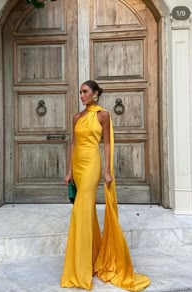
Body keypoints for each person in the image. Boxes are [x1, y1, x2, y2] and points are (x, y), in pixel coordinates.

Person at [60, 80, 150, 291]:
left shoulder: (103, 115)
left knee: (80, 212)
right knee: (86, 213)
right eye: (80, 92)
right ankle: (91, 260)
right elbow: (73, 144)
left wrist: (108, 170)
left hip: (92, 164)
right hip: (78, 166)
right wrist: (69, 171)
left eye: (85, 92)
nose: (81, 95)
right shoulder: (76, 117)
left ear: (96, 94)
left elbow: (108, 143)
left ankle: (79, 269)